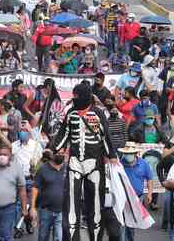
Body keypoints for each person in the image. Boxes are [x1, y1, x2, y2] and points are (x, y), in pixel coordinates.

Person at [51, 82, 118, 240]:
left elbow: (105, 136)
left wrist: (112, 156)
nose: (74, 99)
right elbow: (64, 133)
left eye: (77, 96)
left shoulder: (98, 114)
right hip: (75, 162)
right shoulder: (71, 113)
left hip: (94, 163)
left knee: (95, 205)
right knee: (71, 206)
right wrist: (54, 149)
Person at [119, 143, 153, 241]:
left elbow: (150, 178)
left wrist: (150, 194)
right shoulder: (120, 165)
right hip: (123, 198)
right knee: (122, 223)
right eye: (127, 153)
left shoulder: (143, 164)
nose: (128, 155)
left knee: (132, 223)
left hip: (137, 198)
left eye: (131, 153)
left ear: (135, 153)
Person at [30, 151, 65, 241]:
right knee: (43, 237)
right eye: (58, 153)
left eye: (62, 153)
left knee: (59, 238)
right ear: (51, 154)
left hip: (62, 211)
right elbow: (35, 188)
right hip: (46, 210)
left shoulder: (67, 168)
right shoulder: (43, 169)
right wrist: (33, 207)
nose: (60, 155)